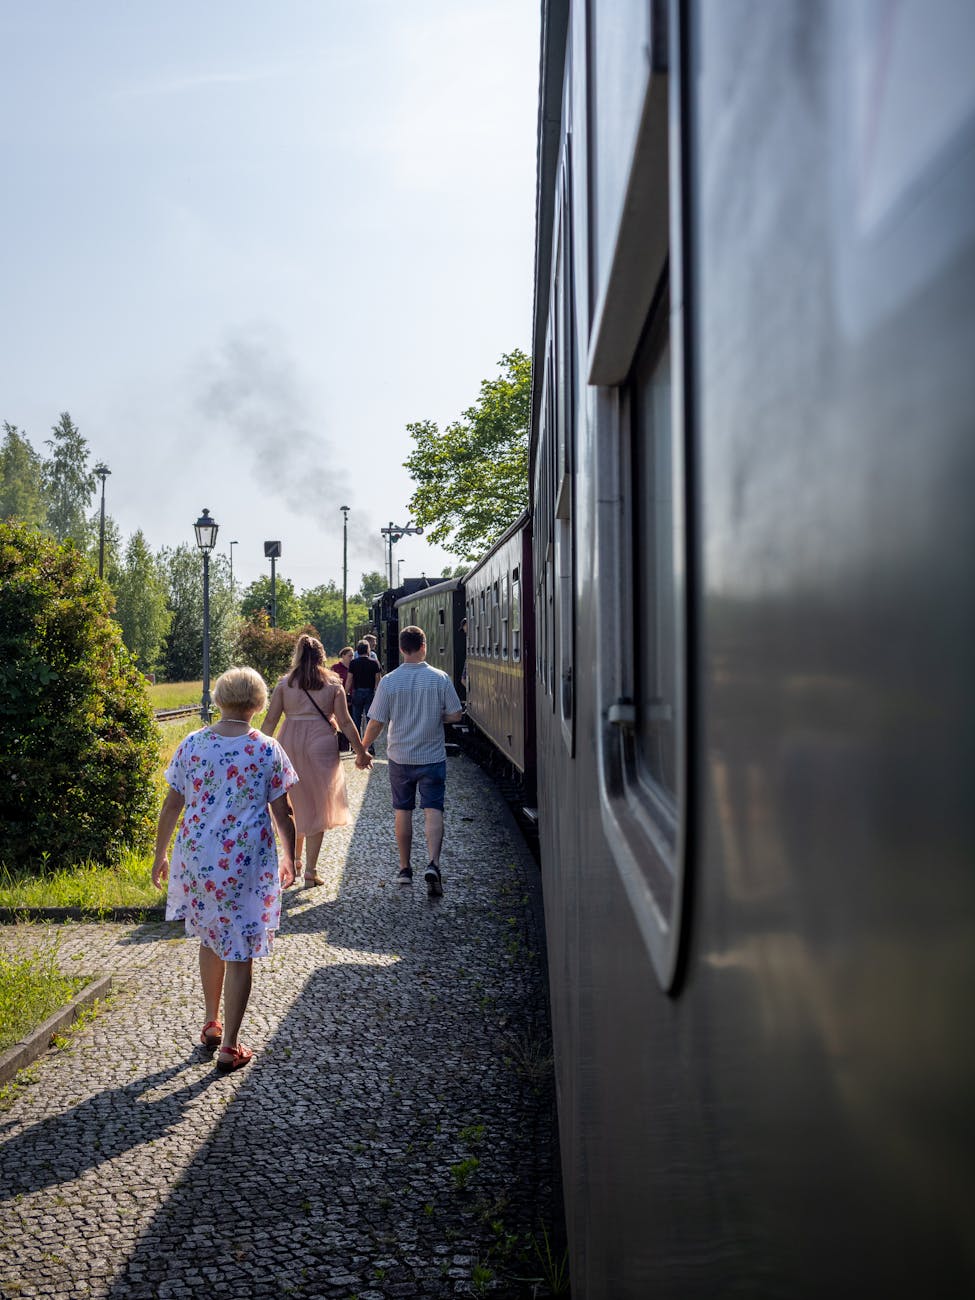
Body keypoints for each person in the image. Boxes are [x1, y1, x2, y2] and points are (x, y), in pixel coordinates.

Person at [152, 667, 298, 1073]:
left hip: (199, 858)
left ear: (218, 700)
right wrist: (291, 855)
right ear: (258, 703)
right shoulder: (267, 748)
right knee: (242, 949)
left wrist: (160, 855)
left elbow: (171, 806)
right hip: (245, 861)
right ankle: (230, 1046)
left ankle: (211, 1023)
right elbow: (282, 813)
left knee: (210, 937)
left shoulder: (192, 744)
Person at [361, 625, 463, 896]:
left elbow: (376, 722)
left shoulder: (390, 681)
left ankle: (405, 868)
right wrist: (435, 716)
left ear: (401, 648)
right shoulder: (440, 678)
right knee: (433, 810)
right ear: (424, 646)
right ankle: (433, 863)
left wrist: (363, 748)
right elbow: (456, 714)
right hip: (432, 756)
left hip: (400, 757)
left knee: (403, 811)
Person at [262, 634, 371, 885]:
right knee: (318, 805)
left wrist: (255, 751)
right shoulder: (333, 683)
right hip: (321, 743)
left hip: (288, 742)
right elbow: (344, 721)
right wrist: (361, 751)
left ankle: (294, 862)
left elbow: (270, 721)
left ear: (297, 656)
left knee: (293, 802)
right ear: (322, 656)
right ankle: (311, 870)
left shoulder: (284, 684)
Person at [347, 639, 383, 751]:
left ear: (357, 650)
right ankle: (370, 746)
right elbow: (378, 681)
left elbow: (349, 680)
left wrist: (345, 693)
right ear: (368, 650)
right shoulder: (374, 663)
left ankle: (355, 746)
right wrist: (379, 694)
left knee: (356, 720)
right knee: (369, 720)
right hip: (370, 693)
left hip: (357, 692)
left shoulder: (353, 663)